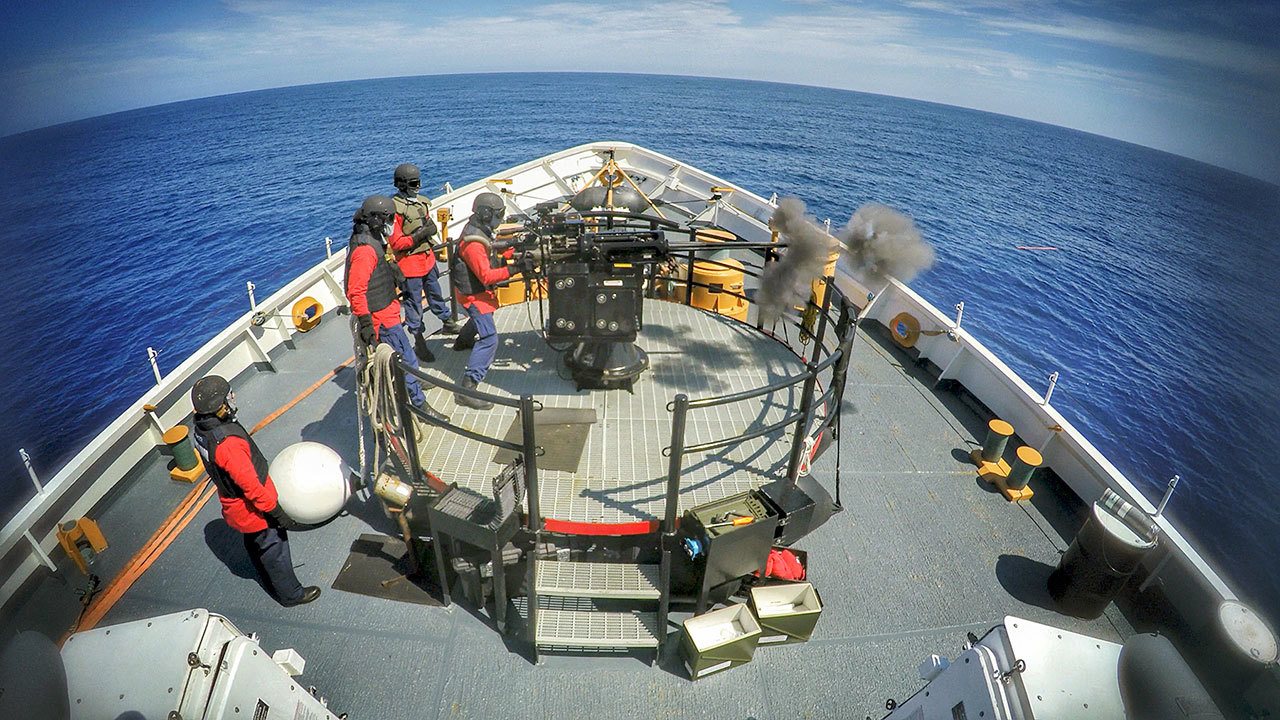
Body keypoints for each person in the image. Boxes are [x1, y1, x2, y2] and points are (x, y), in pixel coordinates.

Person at [189, 375, 321, 607]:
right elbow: (250, 486)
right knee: (274, 550)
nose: (232, 398)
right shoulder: (228, 444)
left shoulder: (202, 430)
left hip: (234, 508)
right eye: (228, 396)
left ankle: (263, 573)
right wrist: (276, 512)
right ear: (218, 407)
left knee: (254, 543)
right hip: (253, 511)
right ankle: (291, 595)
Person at [345, 195, 448, 422]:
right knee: (406, 358)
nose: (392, 223)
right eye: (388, 219)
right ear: (376, 220)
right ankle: (420, 406)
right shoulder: (365, 251)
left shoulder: (370, 239)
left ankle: (415, 382)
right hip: (382, 317)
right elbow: (356, 291)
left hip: (386, 309)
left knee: (406, 356)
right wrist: (365, 324)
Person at [449, 192, 530, 410]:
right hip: (473, 295)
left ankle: (462, 342)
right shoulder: (473, 243)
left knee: (480, 319)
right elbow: (486, 276)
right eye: (498, 214)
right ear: (486, 214)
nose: (501, 218)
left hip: (470, 291)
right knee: (489, 338)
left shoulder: (478, 229)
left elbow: (490, 250)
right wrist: (515, 268)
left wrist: (512, 249)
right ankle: (467, 388)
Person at [388, 163, 459, 365]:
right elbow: (397, 242)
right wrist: (420, 235)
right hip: (410, 265)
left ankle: (447, 321)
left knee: (436, 293)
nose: (417, 187)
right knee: (414, 305)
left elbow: (428, 224)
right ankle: (419, 340)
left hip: (427, 260)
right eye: (413, 183)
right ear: (402, 185)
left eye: (418, 182)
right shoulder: (396, 210)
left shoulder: (421, 203)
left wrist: (428, 232)